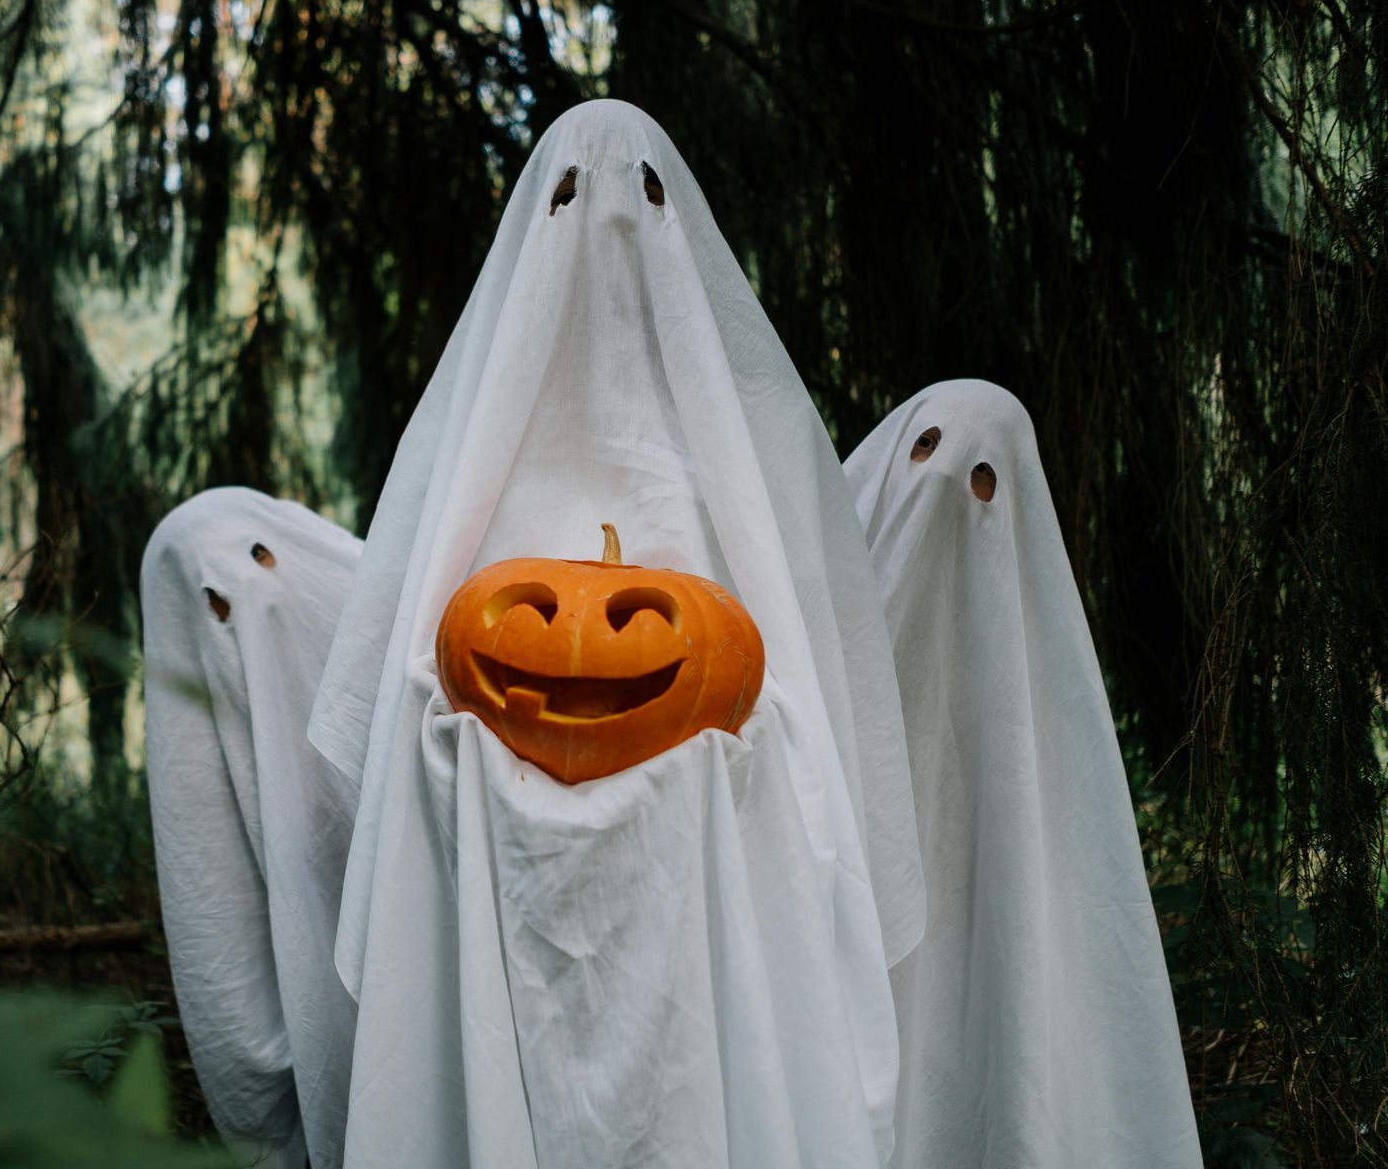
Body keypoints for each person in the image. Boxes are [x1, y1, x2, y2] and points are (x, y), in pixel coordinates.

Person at [309, 98, 925, 1167]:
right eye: (565, 199)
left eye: (640, 196)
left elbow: (816, 694)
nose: (603, 226)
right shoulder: (465, 443)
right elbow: (411, 666)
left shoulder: (760, 435)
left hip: (707, 835)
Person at [843, 380, 1203, 1168]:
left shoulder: (1038, 705)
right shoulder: (811, 646)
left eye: (981, 478)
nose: (941, 485)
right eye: (925, 449)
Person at [140, 487, 363, 1169]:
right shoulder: (206, 717)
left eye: (267, 562)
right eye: (214, 598)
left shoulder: (368, 624)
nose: (246, 600)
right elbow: (218, 936)